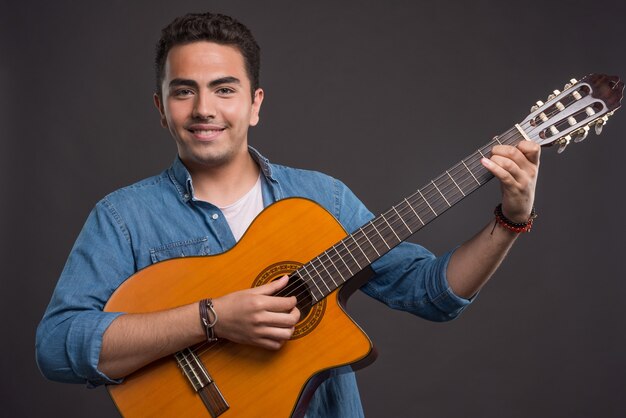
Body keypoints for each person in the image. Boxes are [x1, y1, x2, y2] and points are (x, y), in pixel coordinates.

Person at [35, 12, 540, 417]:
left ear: (255, 104)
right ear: (161, 108)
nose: (203, 108)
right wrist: (210, 318)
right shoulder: (123, 216)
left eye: (224, 89)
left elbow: (430, 292)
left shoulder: (324, 200)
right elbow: (57, 347)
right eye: (183, 90)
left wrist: (509, 221)